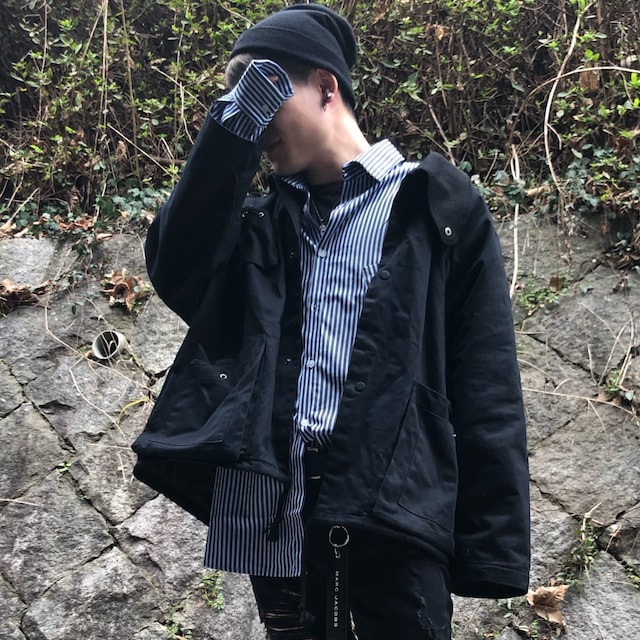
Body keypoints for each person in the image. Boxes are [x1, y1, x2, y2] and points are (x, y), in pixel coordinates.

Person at [132, 4, 530, 639]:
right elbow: (176, 265)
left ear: (325, 86)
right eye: (238, 103)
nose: (256, 120)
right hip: (273, 516)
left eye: (263, 93)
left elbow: (485, 377)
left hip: (387, 510)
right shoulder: (258, 227)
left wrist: (492, 547)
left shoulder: (433, 204)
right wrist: (233, 126)